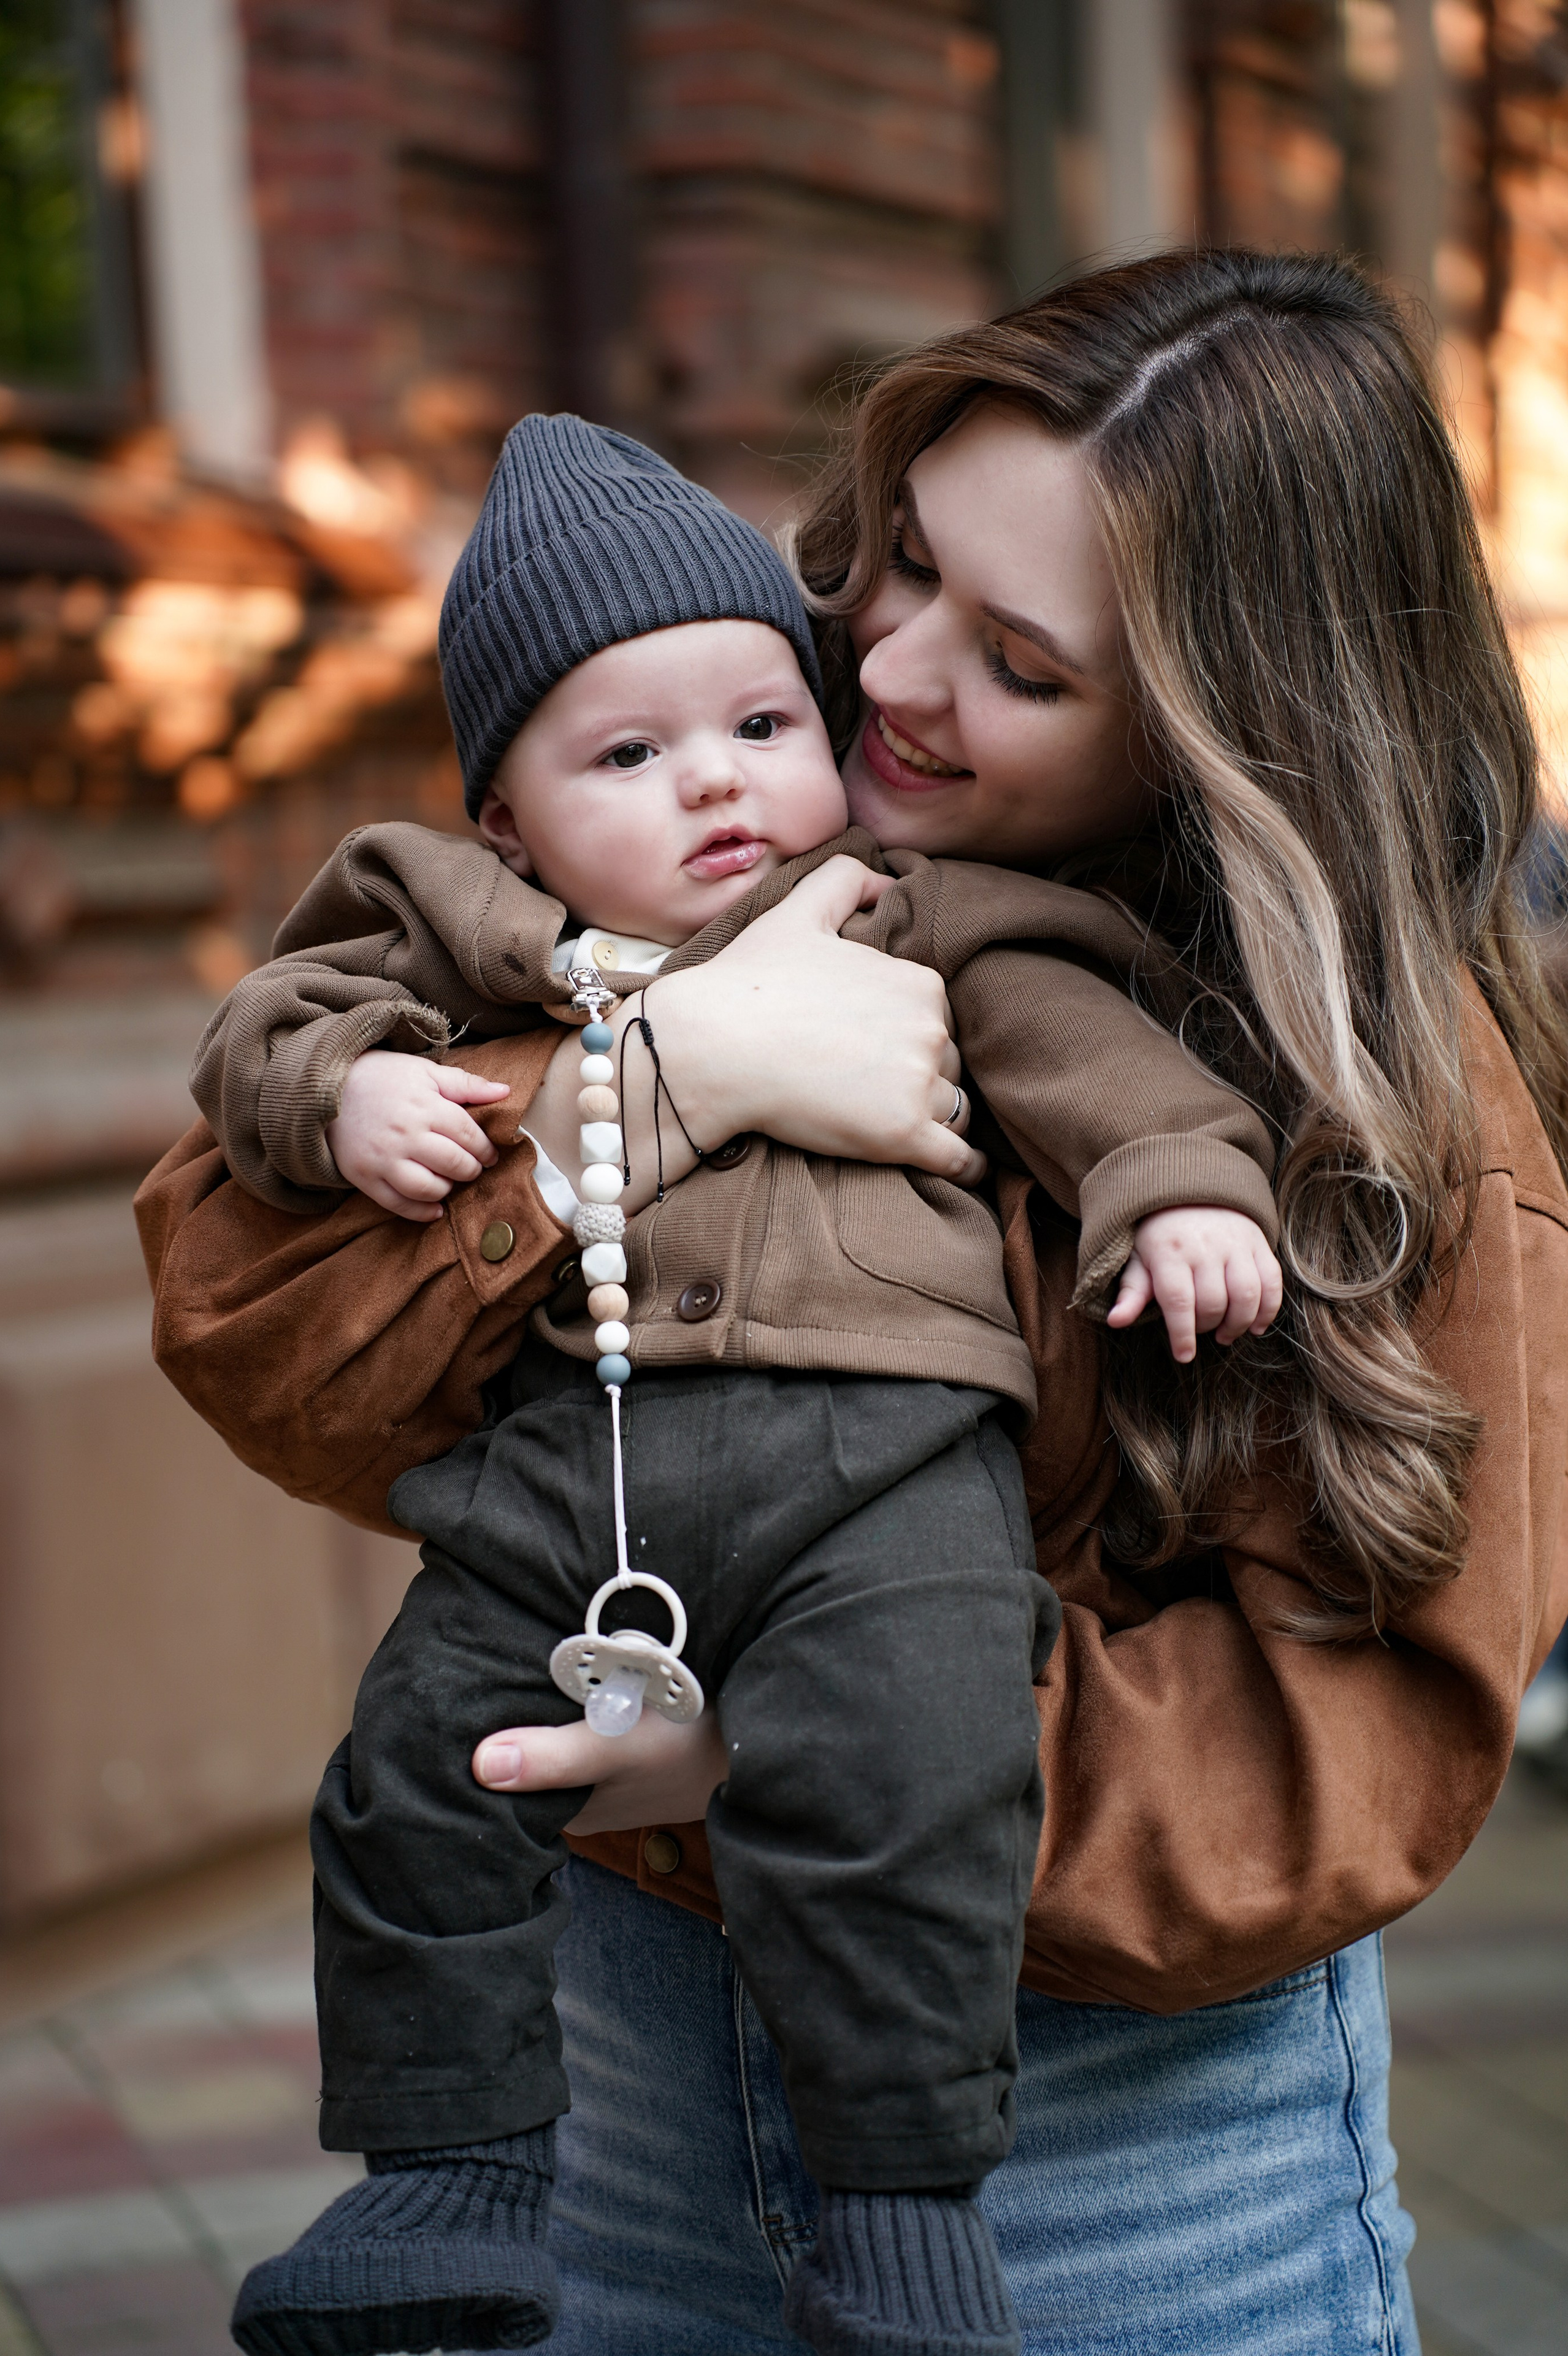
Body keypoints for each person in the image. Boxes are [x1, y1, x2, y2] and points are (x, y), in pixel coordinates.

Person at [136, 250, 1568, 2355]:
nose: (882, 659)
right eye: (901, 558)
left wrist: (791, 1748)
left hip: (1113, 2177)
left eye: (1017, 657)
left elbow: (1345, 1758)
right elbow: (240, 1293)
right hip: (614, 2107)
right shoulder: (689, 772)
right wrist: (657, 1086)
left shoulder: (1398, 1108)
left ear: (1224, 727)